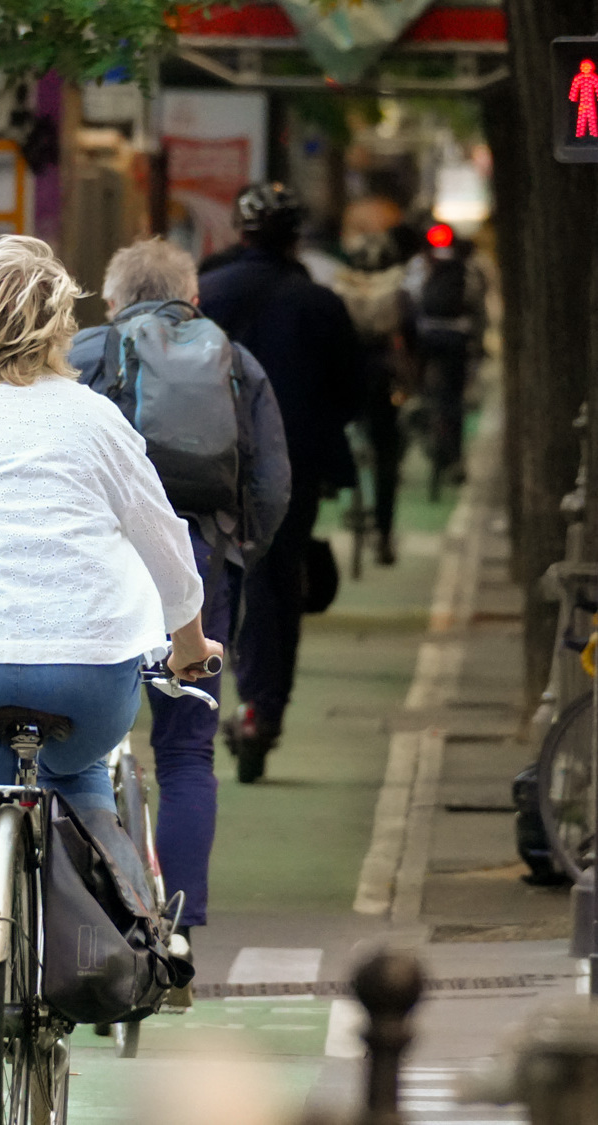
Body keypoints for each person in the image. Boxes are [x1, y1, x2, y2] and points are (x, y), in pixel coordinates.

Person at [0, 236, 223, 1125]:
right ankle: (131, 938)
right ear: (59, 325)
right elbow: (163, 541)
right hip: (87, 670)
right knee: (79, 779)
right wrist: (188, 640)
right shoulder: (94, 418)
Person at [68, 238, 290, 981]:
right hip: (198, 562)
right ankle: (181, 928)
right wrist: (236, 551)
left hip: (102, 560)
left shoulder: (85, 354)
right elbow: (271, 482)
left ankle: (85, 917)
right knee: (188, 751)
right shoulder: (236, 362)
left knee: (78, 743)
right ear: (192, 299)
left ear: (112, 302)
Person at [199, 183, 364, 782]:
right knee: (275, 583)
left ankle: (195, 703)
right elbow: (352, 391)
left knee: (207, 579)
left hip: (206, 460)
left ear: (239, 232)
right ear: (296, 238)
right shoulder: (319, 303)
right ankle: (260, 713)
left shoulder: (204, 292)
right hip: (289, 469)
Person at [329, 228, 416, 565]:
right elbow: (412, 336)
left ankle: (339, 487)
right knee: (387, 456)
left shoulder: (339, 292)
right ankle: (384, 533)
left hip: (346, 376)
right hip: (383, 379)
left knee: (339, 436)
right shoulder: (399, 293)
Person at [402, 222, 487, 498]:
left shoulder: (417, 266)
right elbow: (477, 305)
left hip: (424, 339)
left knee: (417, 390)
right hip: (456, 340)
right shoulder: (467, 267)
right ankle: (455, 460)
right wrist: (477, 342)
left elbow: (406, 301)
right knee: (453, 399)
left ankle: (417, 408)